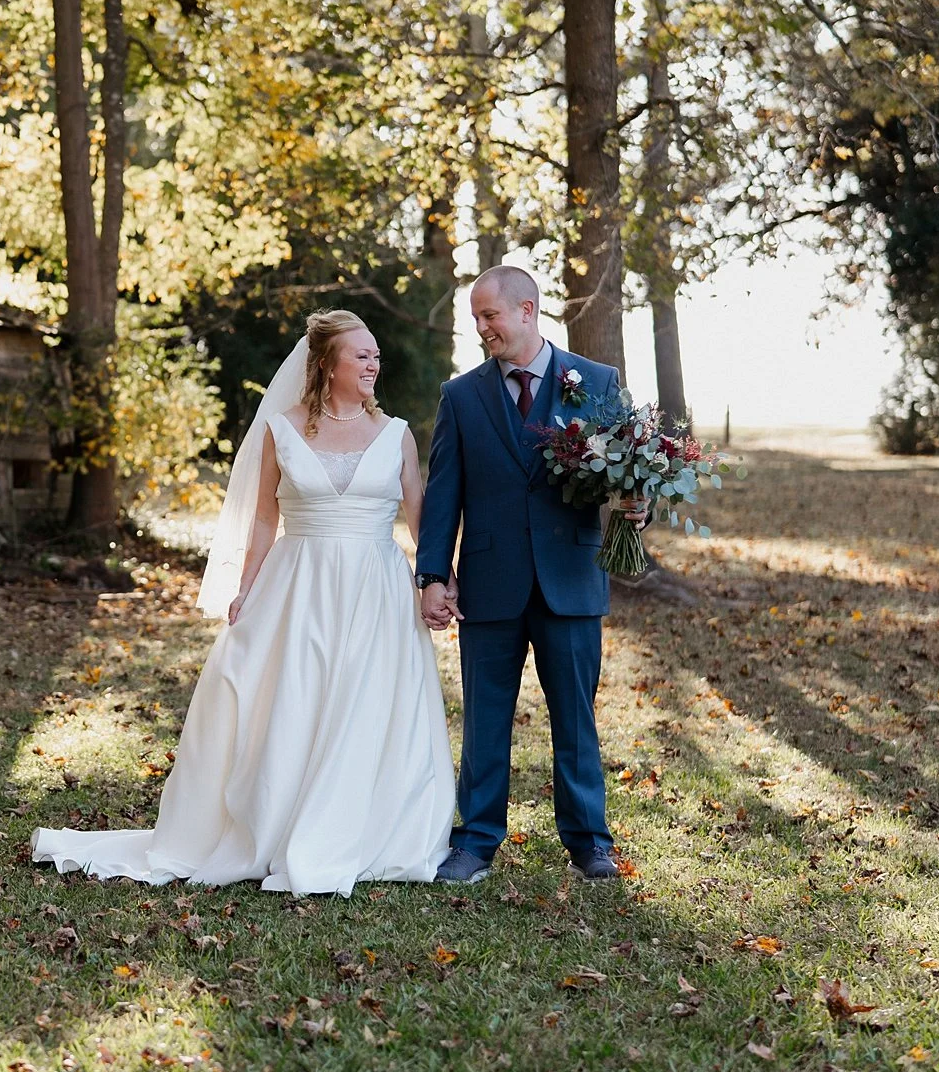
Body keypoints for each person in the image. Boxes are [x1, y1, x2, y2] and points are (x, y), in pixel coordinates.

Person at [31, 310, 453, 896]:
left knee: (367, 701)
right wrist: (246, 587)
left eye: (375, 355)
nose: (373, 364)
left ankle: (362, 829)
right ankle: (279, 824)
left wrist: (437, 579)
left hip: (376, 589)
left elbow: (421, 517)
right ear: (327, 364)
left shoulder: (398, 434)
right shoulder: (281, 431)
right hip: (298, 586)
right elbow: (262, 518)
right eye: (361, 355)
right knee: (295, 701)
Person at [416, 266, 641, 885]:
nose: (483, 328)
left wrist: (633, 507)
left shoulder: (595, 382)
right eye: (476, 319)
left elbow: (625, 477)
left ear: (526, 311)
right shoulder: (460, 396)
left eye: (490, 316)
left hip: (569, 576)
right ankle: (477, 839)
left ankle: (590, 840)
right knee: (486, 718)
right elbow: (443, 494)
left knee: (576, 719)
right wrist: (433, 573)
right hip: (489, 580)